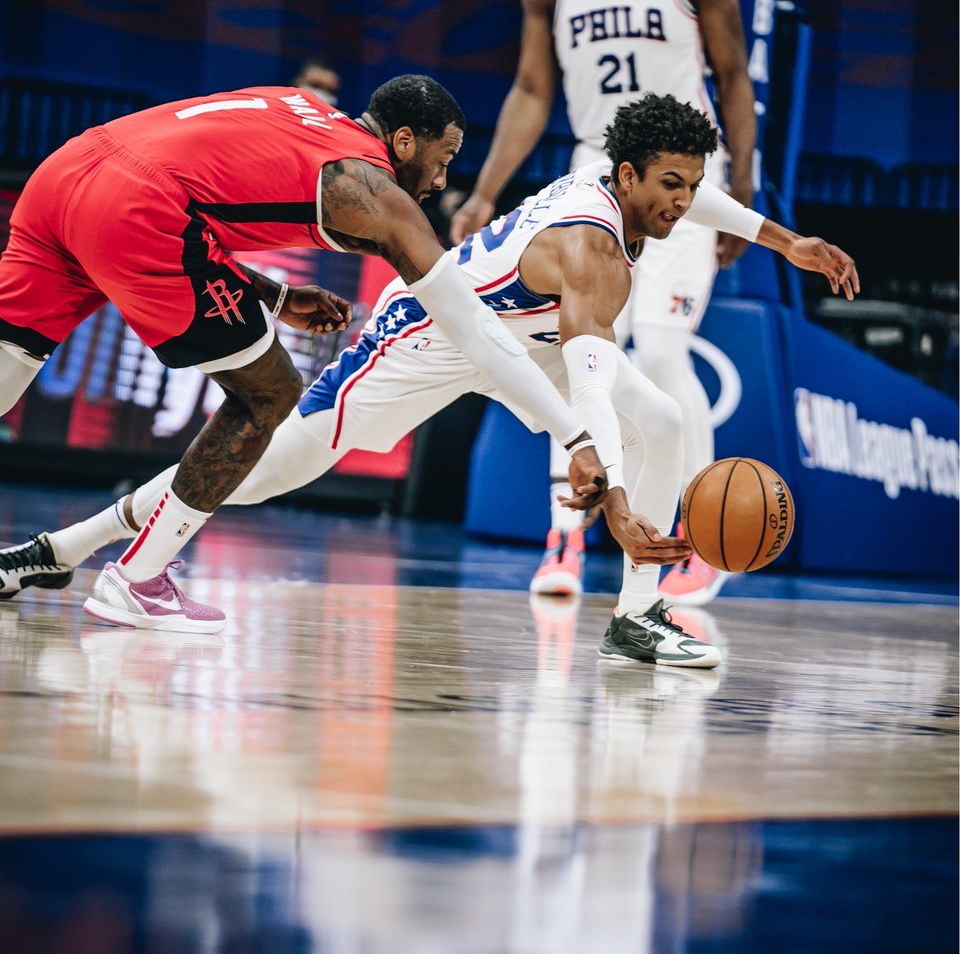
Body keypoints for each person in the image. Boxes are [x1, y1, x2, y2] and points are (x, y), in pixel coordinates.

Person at [1, 94, 859, 666]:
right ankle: (62, 550)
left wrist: (788, 242)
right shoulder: (597, 255)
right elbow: (590, 378)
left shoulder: (622, 180)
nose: (681, 203)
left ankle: (638, 618)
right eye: (668, 186)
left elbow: (695, 195)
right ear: (627, 177)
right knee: (263, 472)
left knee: (667, 417)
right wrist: (615, 494)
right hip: (424, 343)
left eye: (688, 186)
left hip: (519, 337)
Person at [0, 75, 610, 634]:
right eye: (443, 159)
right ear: (402, 141)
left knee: (9, 361)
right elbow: (475, 331)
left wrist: (276, 293)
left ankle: (58, 553)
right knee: (268, 395)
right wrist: (577, 439)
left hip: (67, 170)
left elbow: (193, 198)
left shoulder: (301, 107)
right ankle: (137, 580)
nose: (443, 181)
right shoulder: (375, 193)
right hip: (138, 209)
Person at [449, 0, 757, 606]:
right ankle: (565, 538)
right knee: (578, 353)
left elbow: (733, 77)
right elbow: (529, 90)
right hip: (597, 172)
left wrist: (739, 191)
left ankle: (698, 537)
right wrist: (486, 189)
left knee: (656, 355)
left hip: (685, 178)